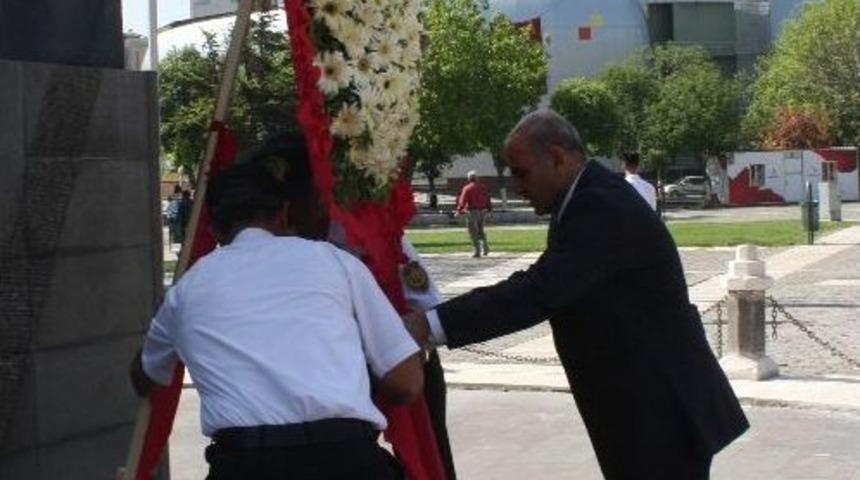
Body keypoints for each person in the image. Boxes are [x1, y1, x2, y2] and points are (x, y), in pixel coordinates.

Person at [404, 109, 748, 479]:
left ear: (557, 158)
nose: (518, 186)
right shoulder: (582, 198)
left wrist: (429, 325)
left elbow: (537, 291)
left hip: (661, 408)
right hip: (645, 405)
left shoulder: (601, 205)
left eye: (522, 172)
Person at [129, 160, 424, 480]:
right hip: (346, 457)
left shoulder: (186, 291)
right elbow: (406, 383)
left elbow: (144, 376)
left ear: (213, 228)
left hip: (244, 465)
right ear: (285, 213)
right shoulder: (335, 261)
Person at [243, 134, 458, 478]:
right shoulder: (264, 247)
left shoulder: (368, 236)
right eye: (279, 206)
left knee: (424, 466)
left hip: (393, 373)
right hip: (308, 393)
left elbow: (423, 308)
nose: (287, 220)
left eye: (297, 204)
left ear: (321, 195)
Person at [456, 171, 492, 257]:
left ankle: (477, 251)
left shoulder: (467, 188)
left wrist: (459, 210)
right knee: (481, 230)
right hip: (483, 211)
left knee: (473, 231)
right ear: (476, 178)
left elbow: (463, 200)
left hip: (472, 211)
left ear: (469, 178)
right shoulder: (483, 187)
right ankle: (486, 248)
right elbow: (488, 198)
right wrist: (489, 209)